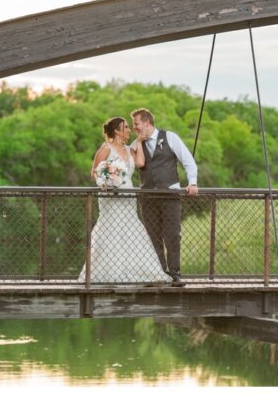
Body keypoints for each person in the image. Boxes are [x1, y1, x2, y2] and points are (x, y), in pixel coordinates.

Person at [78, 117, 172, 285]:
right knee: (112, 228)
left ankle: (135, 270)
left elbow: (141, 162)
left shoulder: (129, 149)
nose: (129, 130)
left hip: (128, 196)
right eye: (126, 127)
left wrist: (140, 143)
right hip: (111, 196)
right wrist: (109, 179)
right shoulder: (105, 148)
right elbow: (94, 172)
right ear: (116, 131)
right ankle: (109, 273)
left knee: (130, 228)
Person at [131, 108, 197, 287]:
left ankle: (175, 273)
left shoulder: (170, 137)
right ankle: (158, 272)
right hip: (148, 195)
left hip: (170, 193)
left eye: (136, 124)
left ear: (146, 123)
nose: (134, 127)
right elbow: (131, 164)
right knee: (152, 235)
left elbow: (188, 160)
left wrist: (192, 182)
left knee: (173, 234)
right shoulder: (135, 144)